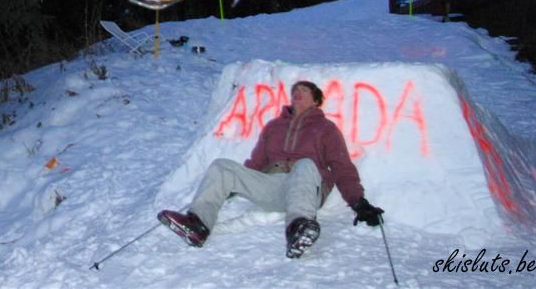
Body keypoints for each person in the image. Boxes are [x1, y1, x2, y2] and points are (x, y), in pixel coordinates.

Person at [157, 81, 384, 259]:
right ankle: (198, 225)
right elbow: (255, 164)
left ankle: (298, 228)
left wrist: (358, 202)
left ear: (316, 100)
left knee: (305, 164)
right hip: (272, 186)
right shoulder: (274, 127)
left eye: (304, 90)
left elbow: (341, 165)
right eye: (296, 89)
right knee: (222, 165)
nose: (298, 92)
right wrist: (229, 186)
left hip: (306, 187)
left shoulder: (326, 129)